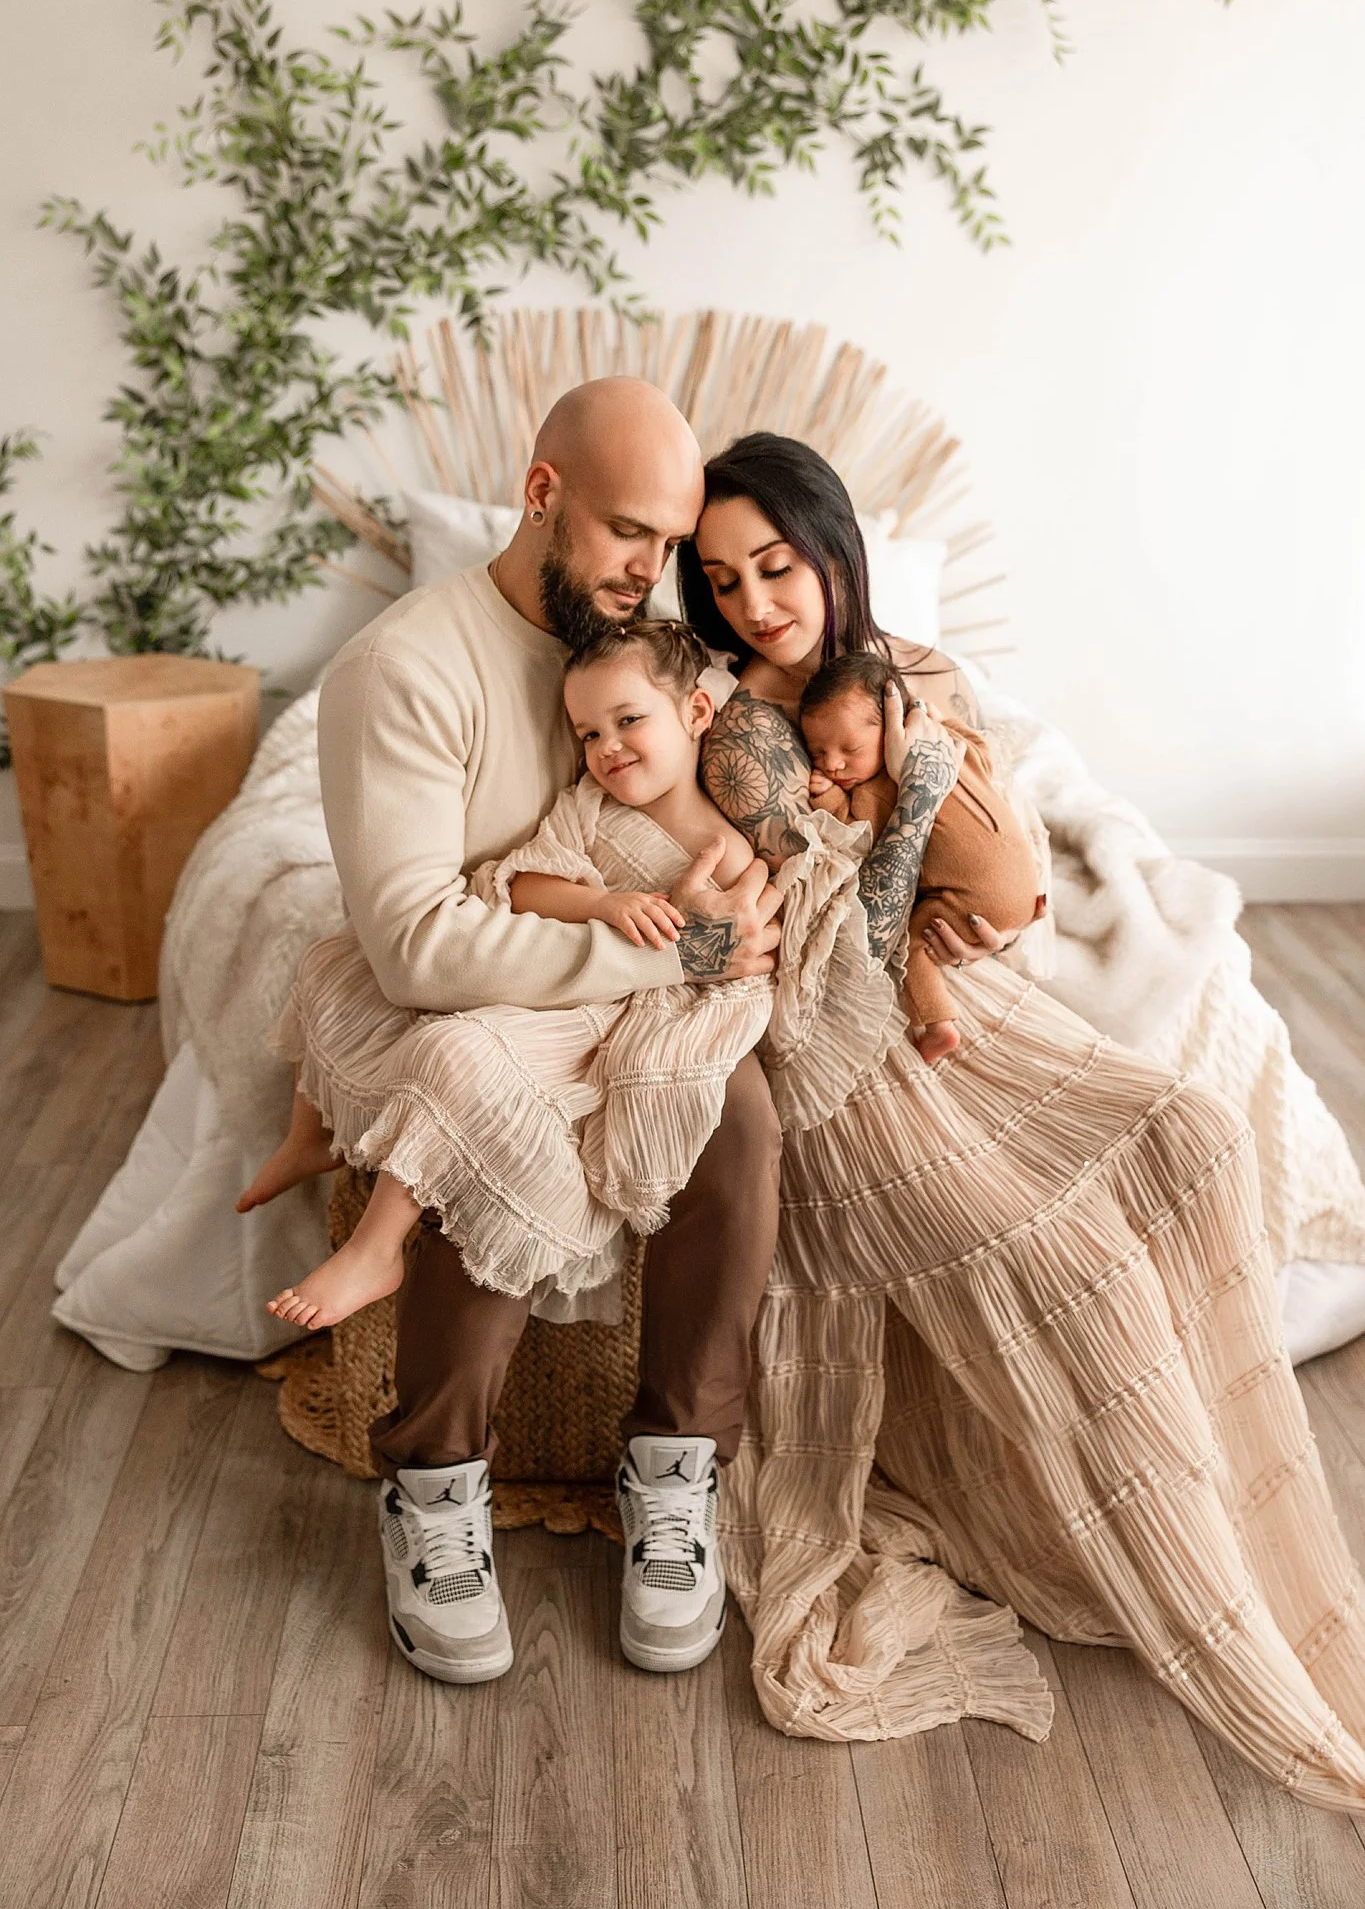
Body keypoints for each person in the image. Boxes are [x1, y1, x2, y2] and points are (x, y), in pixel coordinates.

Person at [677, 430, 1365, 1805]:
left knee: (1194, 1140)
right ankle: (1202, 1602)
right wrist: (923, 848)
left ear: (830, 547)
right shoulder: (744, 730)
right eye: (721, 581)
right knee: (1074, 1266)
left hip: (968, 1003)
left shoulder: (918, 673)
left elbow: (1005, 877)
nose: (758, 602)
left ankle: (1237, 1520)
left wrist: (950, 856)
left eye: (775, 565)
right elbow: (841, 919)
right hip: (842, 1053)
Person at [293, 380, 783, 1687]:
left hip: (632, 980)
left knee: (735, 1122)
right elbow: (416, 947)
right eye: (631, 531)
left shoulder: (646, 645)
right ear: (541, 492)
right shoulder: (401, 672)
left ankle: (678, 1470)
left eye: (671, 543)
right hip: (459, 989)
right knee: (479, 1107)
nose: (651, 571)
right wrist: (668, 951)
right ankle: (434, 1483)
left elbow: (744, 774)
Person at [798, 649, 1040, 1062]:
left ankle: (937, 1024)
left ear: (894, 724)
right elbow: (982, 750)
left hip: (979, 906)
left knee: (913, 942)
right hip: (1027, 886)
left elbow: (863, 835)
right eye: (818, 753)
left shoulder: (879, 791)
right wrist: (939, 722)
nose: (833, 762)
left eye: (849, 748)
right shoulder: (954, 745)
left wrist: (833, 796)